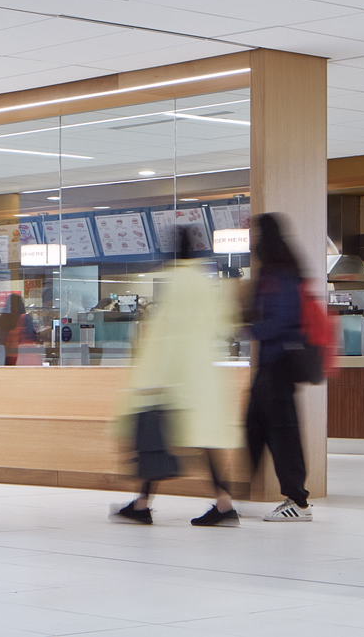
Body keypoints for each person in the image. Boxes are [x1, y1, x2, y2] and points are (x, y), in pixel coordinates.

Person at [110, 228, 240, 527]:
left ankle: (143, 504)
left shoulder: (175, 280)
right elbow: (223, 322)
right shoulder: (206, 279)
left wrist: (149, 377)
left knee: (157, 438)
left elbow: (167, 332)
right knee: (204, 439)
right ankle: (223, 503)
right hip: (204, 375)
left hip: (177, 374)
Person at [245, 212, 312, 523]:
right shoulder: (276, 271)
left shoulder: (279, 275)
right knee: (257, 425)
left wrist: (252, 329)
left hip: (279, 363)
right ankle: (231, 492)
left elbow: (283, 320)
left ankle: (298, 500)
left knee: (282, 431)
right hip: (270, 363)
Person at [0, 293, 40, 367]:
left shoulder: (2, 320)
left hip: (6, 360)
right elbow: (33, 337)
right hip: (21, 359)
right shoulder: (25, 319)